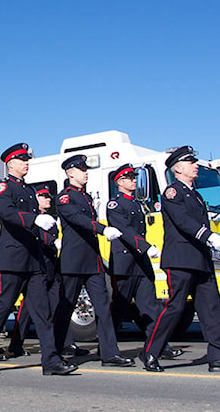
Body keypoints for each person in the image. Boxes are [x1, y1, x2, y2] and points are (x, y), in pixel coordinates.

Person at [141, 146, 220, 372]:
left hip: (201, 260)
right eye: (191, 163)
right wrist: (210, 237)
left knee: (212, 308)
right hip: (180, 260)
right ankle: (151, 352)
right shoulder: (172, 193)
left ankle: (219, 357)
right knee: (175, 307)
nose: (196, 165)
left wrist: (210, 243)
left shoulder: (196, 195)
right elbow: (184, 222)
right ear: (178, 168)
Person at [0, 143, 75, 376]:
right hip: (13, 258)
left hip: (34, 259)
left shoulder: (29, 190)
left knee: (42, 311)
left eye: (27, 160)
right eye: (22, 160)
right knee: (3, 307)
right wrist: (35, 219)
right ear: (11, 164)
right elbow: (8, 214)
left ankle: (51, 360)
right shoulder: (3, 188)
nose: (27, 163)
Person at [53, 154, 134, 367]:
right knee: (66, 305)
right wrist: (102, 228)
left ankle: (109, 353)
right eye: (81, 169)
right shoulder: (64, 197)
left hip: (92, 260)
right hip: (73, 261)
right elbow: (78, 220)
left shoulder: (87, 197)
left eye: (85, 169)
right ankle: (55, 349)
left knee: (103, 305)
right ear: (70, 173)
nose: (85, 172)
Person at [106, 164, 182, 361]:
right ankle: (107, 348)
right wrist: (146, 246)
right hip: (125, 263)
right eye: (129, 178)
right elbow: (124, 230)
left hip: (141, 263)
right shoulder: (114, 205)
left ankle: (159, 346)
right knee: (119, 308)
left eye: (133, 177)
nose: (133, 180)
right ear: (120, 182)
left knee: (150, 306)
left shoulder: (139, 204)